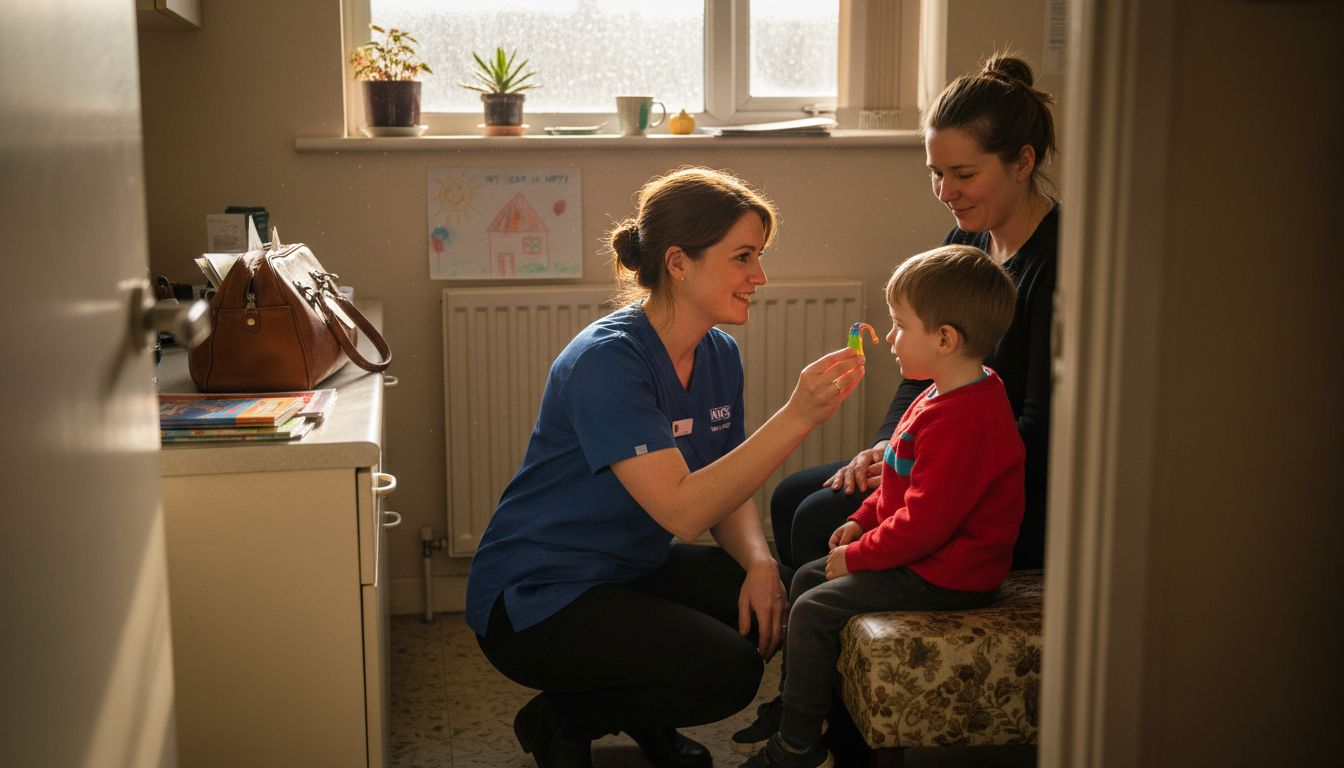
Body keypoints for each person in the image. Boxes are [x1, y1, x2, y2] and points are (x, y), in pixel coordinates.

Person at [465, 167, 867, 768]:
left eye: (758, 256)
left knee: (762, 599)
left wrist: (759, 564)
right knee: (727, 673)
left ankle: (642, 715)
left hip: (627, 568)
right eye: (742, 258)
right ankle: (562, 717)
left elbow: (724, 482)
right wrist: (797, 416)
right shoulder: (608, 363)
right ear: (679, 262)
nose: (759, 276)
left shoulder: (717, 353)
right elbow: (682, 511)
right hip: (539, 595)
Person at [733, 244, 1026, 767]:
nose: (889, 338)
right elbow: (897, 479)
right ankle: (809, 709)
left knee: (816, 605)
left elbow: (925, 526)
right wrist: (858, 519)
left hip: (952, 572)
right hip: (928, 554)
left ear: (944, 339)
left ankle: (796, 746)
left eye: (898, 325)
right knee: (805, 579)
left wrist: (860, 554)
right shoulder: (940, 392)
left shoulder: (965, 421)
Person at [770, 53, 1058, 574]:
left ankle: (828, 632)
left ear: (1023, 162)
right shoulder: (965, 241)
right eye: (936, 173)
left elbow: (1037, 426)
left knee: (814, 519)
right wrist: (888, 443)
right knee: (790, 495)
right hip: (938, 448)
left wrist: (923, 459)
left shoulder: (1060, 264)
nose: (946, 193)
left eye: (963, 174)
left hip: (989, 485)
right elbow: (923, 370)